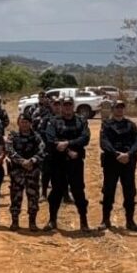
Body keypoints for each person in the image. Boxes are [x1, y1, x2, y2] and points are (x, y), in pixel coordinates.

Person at [44, 97, 91, 232]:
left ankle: (84, 221)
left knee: (78, 191)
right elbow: (50, 139)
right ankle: (52, 220)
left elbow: (85, 138)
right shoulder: (53, 121)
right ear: (61, 107)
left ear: (73, 106)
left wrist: (67, 143)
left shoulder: (81, 121)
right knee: (56, 192)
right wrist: (69, 149)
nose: (67, 107)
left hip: (75, 162)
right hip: (58, 162)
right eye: (65, 105)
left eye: (69, 105)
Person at [100, 100, 137, 231]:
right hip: (112, 161)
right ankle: (105, 220)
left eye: (121, 108)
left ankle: (130, 221)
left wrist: (128, 154)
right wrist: (116, 154)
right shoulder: (106, 125)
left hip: (128, 162)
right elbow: (104, 142)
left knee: (129, 192)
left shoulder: (131, 125)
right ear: (112, 109)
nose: (119, 110)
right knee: (108, 190)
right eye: (117, 108)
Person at [7, 115, 45, 231]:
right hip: (17, 172)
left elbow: (42, 150)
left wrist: (32, 160)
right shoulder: (13, 136)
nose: (24, 124)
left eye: (26, 122)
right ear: (18, 123)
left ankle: (32, 222)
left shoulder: (36, 136)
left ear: (30, 123)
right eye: (22, 122)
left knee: (33, 197)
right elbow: (9, 150)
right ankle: (15, 221)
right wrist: (22, 161)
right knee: (15, 197)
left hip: (32, 171)